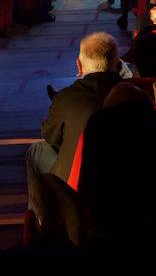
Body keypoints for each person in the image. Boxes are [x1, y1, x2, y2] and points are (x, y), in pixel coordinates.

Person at [26, 31, 122, 213]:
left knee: (36, 150)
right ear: (117, 66)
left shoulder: (66, 98)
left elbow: (50, 137)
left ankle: (40, 220)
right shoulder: (136, 95)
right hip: (121, 183)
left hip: (75, 187)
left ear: (79, 65)